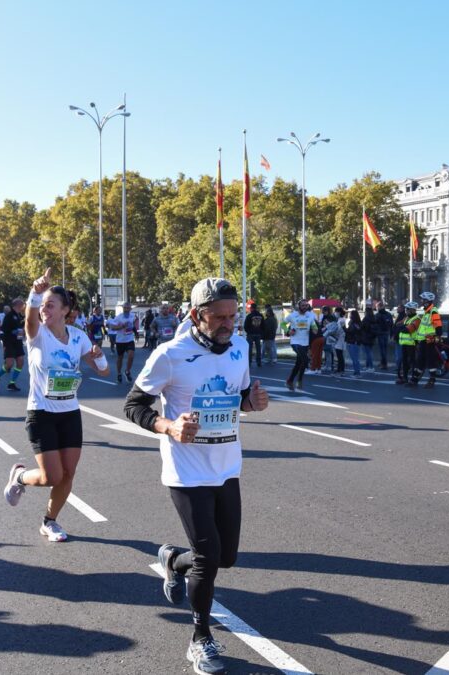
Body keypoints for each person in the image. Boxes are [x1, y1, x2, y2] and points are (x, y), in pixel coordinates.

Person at [123, 278, 269, 675]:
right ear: (195, 316)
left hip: (226, 466)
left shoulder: (238, 346)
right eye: (218, 317)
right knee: (207, 557)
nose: (228, 324)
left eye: (232, 316)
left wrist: (250, 403)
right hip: (186, 471)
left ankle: (172, 560)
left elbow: (236, 397)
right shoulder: (170, 355)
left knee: (227, 556)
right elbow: (134, 405)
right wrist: (168, 426)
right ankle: (200, 638)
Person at [3, 269, 109, 541]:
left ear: (65, 310)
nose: (44, 309)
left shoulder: (77, 336)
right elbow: (29, 317)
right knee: (52, 476)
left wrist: (99, 357)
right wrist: (36, 293)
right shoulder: (37, 335)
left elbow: (103, 372)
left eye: (51, 305)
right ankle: (20, 477)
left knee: (68, 474)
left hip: (70, 413)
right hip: (41, 413)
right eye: (42, 305)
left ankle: (50, 521)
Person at [409, 291, 443, 388]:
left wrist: (436, 337)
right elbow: (423, 328)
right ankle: (414, 380)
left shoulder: (433, 311)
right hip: (423, 341)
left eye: (423, 299)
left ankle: (431, 380)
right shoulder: (427, 312)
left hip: (429, 341)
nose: (421, 301)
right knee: (420, 360)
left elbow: (438, 327)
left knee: (430, 361)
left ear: (427, 301)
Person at [283, 300, 318, 391]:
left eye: (306, 305)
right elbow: (282, 324)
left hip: (305, 342)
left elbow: (314, 325)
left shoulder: (310, 315)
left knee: (299, 363)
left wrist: (315, 329)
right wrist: (288, 331)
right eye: (302, 305)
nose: (304, 307)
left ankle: (290, 381)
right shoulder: (292, 315)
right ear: (298, 306)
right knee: (305, 360)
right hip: (295, 342)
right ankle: (299, 380)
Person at [0, 298, 27, 391]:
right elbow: (4, 328)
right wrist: (13, 332)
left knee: (20, 362)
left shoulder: (19, 315)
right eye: (22, 305)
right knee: (9, 364)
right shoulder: (9, 315)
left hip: (18, 342)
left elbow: (21, 326)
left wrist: (22, 331)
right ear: (18, 305)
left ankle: (12, 383)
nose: (23, 306)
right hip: (10, 342)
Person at [110, 302, 139, 383]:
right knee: (120, 358)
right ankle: (119, 373)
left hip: (129, 340)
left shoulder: (133, 316)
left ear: (130, 309)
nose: (126, 309)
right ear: (123, 308)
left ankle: (127, 371)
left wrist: (136, 333)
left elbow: (132, 326)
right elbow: (112, 327)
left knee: (131, 355)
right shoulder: (119, 317)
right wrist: (121, 326)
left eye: (128, 308)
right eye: (125, 308)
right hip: (120, 341)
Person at [395, 302, 419, 385]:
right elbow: (398, 324)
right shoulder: (407, 318)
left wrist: (402, 327)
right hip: (404, 343)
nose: (406, 310)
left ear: (412, 310)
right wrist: (402, 327)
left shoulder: (417, 319)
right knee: (404, 362)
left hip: (412, 343)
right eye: (406, 309)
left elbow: (408, 330)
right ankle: (404, 378)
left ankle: (413, 379)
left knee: (412, 362)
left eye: (407, 309)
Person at [243, 302, 265, 367]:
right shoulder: (261, 315)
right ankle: (259, 362)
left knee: (249, 348)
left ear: (251, 308)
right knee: (258, 348)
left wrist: (248, 331)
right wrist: (261, 332)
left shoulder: (249, 316)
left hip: (250, 334)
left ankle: (249, 362)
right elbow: (263, 325)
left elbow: (245, 326)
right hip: (258, 334)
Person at [373, 301, 392, 371]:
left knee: (382, 349)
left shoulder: (377, 315)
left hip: (380, 333)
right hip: (386, 333)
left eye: (377, 307)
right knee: (385, 348)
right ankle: (382, 362)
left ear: (379, 307)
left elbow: (374, 324)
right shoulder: (388, 314)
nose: (376, 308)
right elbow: (391, 324)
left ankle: (384, 364)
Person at [344, 309, 364, 377]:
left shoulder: (356, 324)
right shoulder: (353, 323)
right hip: (351, 341)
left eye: (351, 314)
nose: (349, 315)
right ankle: (356, 372)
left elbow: (353, 332)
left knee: (355, 358)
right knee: (354, 358)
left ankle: (357, 373)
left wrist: (345, 328)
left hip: (354, 342)